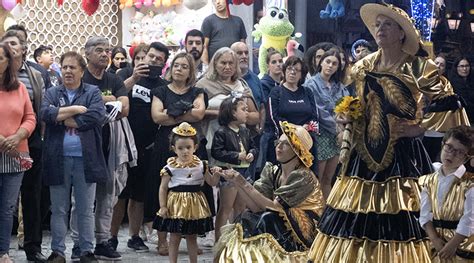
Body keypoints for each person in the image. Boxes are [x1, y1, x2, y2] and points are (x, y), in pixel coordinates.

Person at [307, 3, 470, 262]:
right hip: (362, 154)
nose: (380, 29)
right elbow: (359, 102)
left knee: (404, 213)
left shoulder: (419, 67)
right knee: (354, 213)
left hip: (402, 155)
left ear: (401, 32)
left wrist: (419, 127)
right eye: (378, 25)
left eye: (388, 25)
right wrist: (348, 116)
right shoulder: (363, 66)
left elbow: (450, 102)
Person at [214, 121, 324, 261]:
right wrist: (236, 182)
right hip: (278, 219)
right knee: (247, 217)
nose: (279, 147)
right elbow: (256, 206)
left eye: (286, 144)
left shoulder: (303, 176)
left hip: (303, 229)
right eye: (278, 142)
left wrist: (243, 182)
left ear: (297, 150)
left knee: (267, 218)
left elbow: (274, 207)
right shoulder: (273, 171)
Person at [41, 51, 107, 263]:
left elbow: (95, 117)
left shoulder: (93, 92)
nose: (68, 71)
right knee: (59, 209)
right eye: (65, 67)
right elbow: (45, 114)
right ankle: (58, 252)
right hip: (57, 157)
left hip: (86, 158)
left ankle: (86, 250)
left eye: (72, 67)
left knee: (85, 209)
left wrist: (61, 116)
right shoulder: (52, 92)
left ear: (82, 70)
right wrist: (76, 109)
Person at [68, 36, 129, 261]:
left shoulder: (114, 79)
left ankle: (102, 241)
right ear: (87, 53)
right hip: (83, 143)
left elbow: (125, 109)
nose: (105, 54)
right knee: (81, 199)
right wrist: (108, 101)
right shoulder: (79, 78)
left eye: (108, 51)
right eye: (99, 50)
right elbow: (75, 108)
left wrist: (97, 103)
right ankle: (78, 244)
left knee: (107, 196)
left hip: (109, 144)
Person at [149, 52, 207, 254]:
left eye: (184, 66)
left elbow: (199, 113)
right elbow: (157, 117)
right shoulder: (160, 91)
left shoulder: (198, 91)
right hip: (166, 145)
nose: (179, 69)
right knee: (166, 189)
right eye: (176, 65)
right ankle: (162, 239)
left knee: (192, 190)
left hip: (192, 146)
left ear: (191, 71)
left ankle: (191, 238)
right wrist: (185, 113)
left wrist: (172, 113)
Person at [1, 31, 47, 263]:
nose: (9, 48)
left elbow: (35, 112)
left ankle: (26, 248)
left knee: (27, 198)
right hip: (4, 144)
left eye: (13, 44)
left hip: (26, 144)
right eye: (5, 44)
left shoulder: (34, 76)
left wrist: (21, 135)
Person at [153, 122, 220, 263]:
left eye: (188, 147)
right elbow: (163, 188)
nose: (185, 151)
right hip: (176, 203)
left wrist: (217, 175)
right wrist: (163, 206)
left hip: (195, 203)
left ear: (195, 147)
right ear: (174, 149)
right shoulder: (170, 166)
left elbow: (211, 182)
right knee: (175, 235)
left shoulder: (201, 165)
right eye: (181, 148)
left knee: (192, 236)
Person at [419, 125, 474, 262]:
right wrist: (435, 240)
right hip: (436, 242)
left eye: (459, 152)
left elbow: (469, 218)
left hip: (462, 245)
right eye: (449, 147)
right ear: (442, 144)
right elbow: (425, 214)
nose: (451, 154)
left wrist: (453, 244)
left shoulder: (470, 184)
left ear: (466, 158)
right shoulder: (428, 180)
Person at [195, 47, 259, 159]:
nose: (227, 67)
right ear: (215, 63)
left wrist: (241, 115)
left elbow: (255, 116)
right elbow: (195, 113)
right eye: (223, 63)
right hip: (213, 143)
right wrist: (219, 114)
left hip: (239, 146)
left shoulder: (242, 85)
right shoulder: (203, 85)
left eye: (231, 63)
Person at [305, 48, 349, 200]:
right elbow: (319, 112)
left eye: (334, 63)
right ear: (321, 62)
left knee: (329, 179)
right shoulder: (311, 84)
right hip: (320, 134)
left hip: (338, 135)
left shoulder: (339, 86)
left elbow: (348, 107)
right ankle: (315, 215)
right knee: (317, 178)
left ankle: (327, 216)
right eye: (327, 61)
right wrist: (338, 128)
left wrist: (344, 124)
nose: (330, 66)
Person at [212, 97, 258, 241]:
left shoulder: (245, 131)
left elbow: (253, 147)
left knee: (241, 207)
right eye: (243, 110)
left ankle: (237, 238)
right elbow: (217, 152)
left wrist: (252, 153)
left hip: (245, 172)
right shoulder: (222, 132)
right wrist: (236, 155)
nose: (247, 113)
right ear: (232, 112)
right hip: (230, 172)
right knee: (226, 207)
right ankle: (219, 239)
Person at [261, 56, 318, 171]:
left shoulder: (307, 92)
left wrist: (305, 130)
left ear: (302, 74)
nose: (292, 72)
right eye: (289, 69)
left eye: (297, 70)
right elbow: (273, 117)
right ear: (284, 71)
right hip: (284, 142)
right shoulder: (276, 92)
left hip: (306, 142)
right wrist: (294, 132)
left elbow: (314, 116)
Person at [201, 0, 247, 64]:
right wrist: (206, 67)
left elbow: (243, 47)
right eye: (214, 1)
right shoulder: (208, 21)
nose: (217, 2)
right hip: (215, 67)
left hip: (235, 67)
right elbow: (204, 47)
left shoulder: (238, 21)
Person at [449, 57, 473, 123]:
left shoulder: (471, 80)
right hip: (461, 118)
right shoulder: (452, 83)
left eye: (467, 66)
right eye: (462, 66)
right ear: (457, 68)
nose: (465, 69)